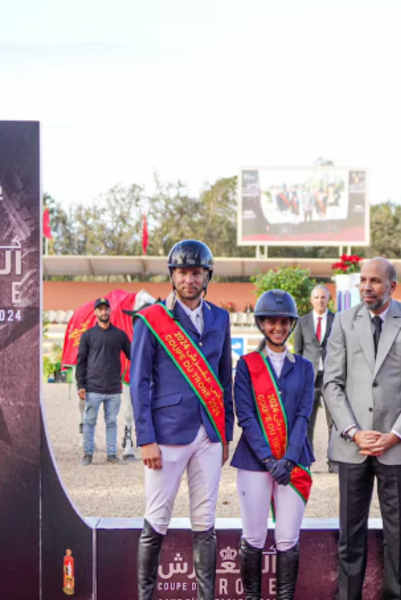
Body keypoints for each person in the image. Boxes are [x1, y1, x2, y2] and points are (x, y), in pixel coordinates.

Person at [323, 257, 401, 600]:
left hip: (396, 446)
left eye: (374, 281)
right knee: (349, 536)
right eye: (363, 280)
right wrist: (353, 431)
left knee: (397, 535)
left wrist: (394, 434)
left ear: (392, 286)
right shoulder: (343, 321)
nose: (366, 287)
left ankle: (396, 595)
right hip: (351, 445)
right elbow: (331, 384)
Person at [130, 239, 234, 600]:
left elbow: (224, 380)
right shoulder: (151, 319)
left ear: (207, 276)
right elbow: (139, 382)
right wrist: (145, 439)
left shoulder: (220, 318)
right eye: (183, 272)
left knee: (205, 520)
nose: (190, 279)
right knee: (157, 518)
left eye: (197, 273)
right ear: (172, 275)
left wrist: (225, 434)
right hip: (166, 435)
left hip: (209, 434)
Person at [232, 290, 315, 600]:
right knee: (253, 537)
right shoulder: (247, 364)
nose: (277, 327)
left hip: (292, 464)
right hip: (255, 463)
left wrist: (289, 459)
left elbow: (303, 416)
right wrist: (269, 460)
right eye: (271, 321)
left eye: (283, 322)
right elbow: (246, 416)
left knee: (287, 538)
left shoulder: (305, 367)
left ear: (291, 324)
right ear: (261, 324)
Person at [75, 297, 131, 466]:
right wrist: (81, 385)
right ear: (95, 312)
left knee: (112, 422)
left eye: (106, 308)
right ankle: (88, 454)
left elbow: (133, 355)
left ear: (110, 311)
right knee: (90, 422)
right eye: (100, 309)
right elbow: (81, 361)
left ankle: (112, 454)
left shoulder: (120, 335)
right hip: (93, 388)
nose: (103, 312)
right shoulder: (88, 335)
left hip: (114, 388)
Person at [292, 284, 338, 473]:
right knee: (307, 420)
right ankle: (306, 461)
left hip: (330, 377)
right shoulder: (302, 322)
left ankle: (334, 462)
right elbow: (298, 351)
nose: (320, 301)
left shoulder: (337, 321)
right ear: (311, 300)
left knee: (333, 421)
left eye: (323, 297)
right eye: (316, 297)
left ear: (329, 300)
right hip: (309, 378)